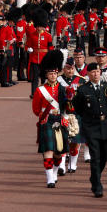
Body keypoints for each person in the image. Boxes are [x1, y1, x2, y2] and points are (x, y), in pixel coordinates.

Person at [73, 61, 107, 197]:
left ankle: (95, 176)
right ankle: (97, 185)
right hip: (92, 125)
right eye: (93, 72)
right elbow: (78, 107)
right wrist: (88, 119)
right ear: (88, 74)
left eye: (98, 71)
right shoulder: (83, 89)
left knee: (106, 153)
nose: (96, 74)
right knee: (95, 156)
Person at [31, 50, 68, 188]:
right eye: (50, 73)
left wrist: (64, 116)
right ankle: (49, 179)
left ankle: (54, 172)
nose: (53, 76)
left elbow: (68, 107)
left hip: (60, 119)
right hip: (47, 120)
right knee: (48, 149)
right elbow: (35, 108)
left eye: (55, 73)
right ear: (46, 75)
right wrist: (43, 117)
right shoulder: (40, 90)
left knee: (59, 152)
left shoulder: (63, 89)